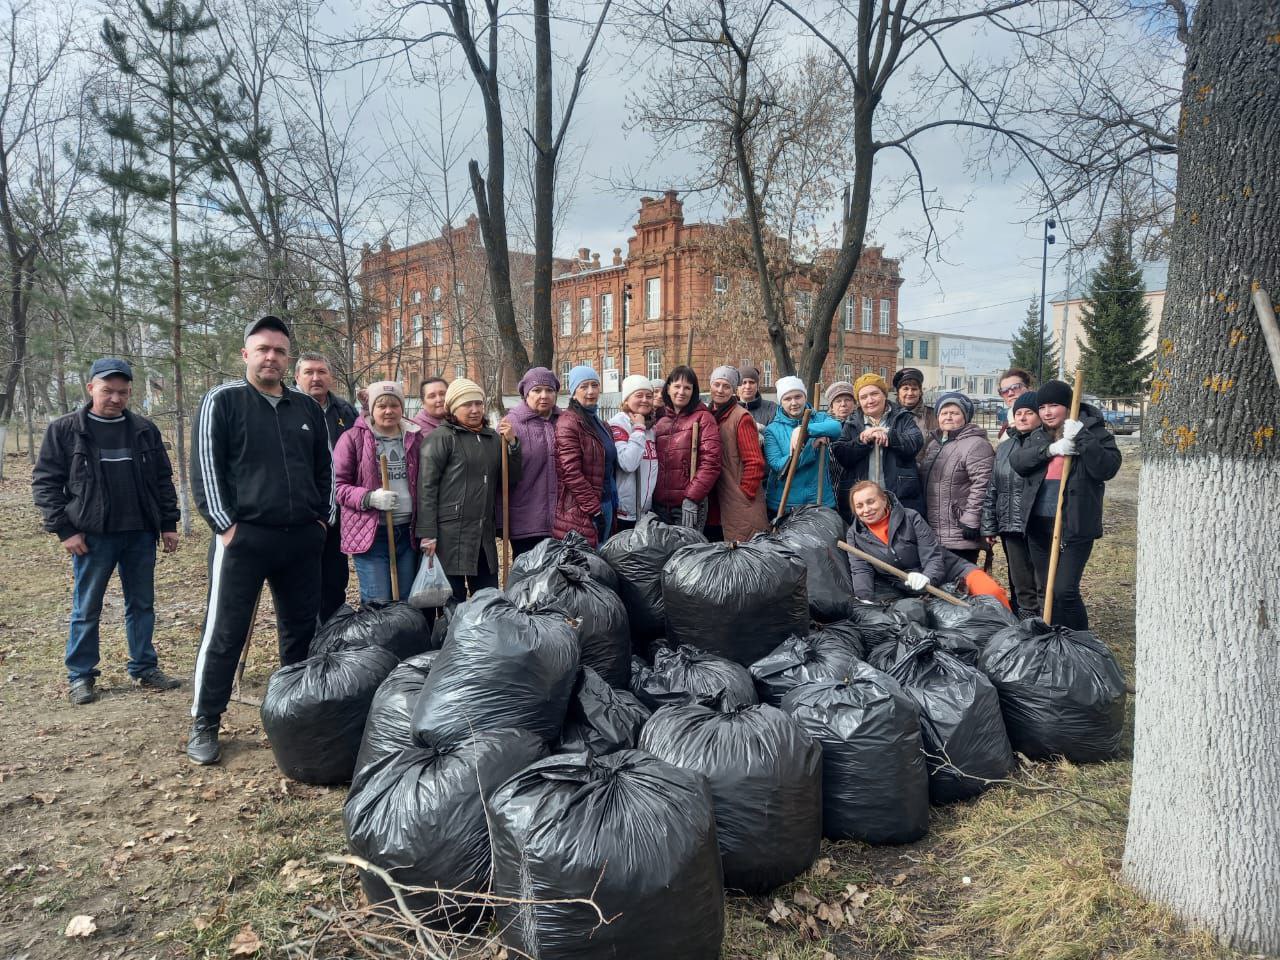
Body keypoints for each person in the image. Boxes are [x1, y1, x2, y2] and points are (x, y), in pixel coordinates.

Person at [188, 315, 335, 765]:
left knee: (299, 634)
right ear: (246, 354)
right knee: (225, 633)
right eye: (263, 349)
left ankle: (292, 717)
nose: (271, 356)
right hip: (243, 541)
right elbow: (206, 468)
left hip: (300, 542)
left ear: (288, 359)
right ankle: (205, 722)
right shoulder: (223, 401)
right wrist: (226, 527)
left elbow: (325, 471)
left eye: (279, 350)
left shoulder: (307, 410)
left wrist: (321, 523)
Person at [32, 357, 183, 705]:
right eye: (107, 391)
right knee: (87, 607)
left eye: (122, 392)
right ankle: (81, 676)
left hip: (140, 534)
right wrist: (64, 530)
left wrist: (168, 524)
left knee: (142, 605)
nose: (115, 398)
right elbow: (45, 483)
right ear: (91, 389)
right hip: (92, 537)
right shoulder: (65, 430)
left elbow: (162, 479)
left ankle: (144, 667)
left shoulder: (144, 429)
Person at [1009, 378, 1121, 630]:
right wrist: (1051, 449)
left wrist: (1081, 437)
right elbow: (1019, 463)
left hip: (1075, 524)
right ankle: (1053, 638)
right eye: (1043, 407)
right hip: (1039, 526)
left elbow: (1107, 468)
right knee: (1045, 591)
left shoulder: (1095, 432)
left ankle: (1080, 642)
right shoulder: (1038, 436)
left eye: (1054, 406)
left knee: (1064, 590)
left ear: (1068, 407)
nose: (1047, 412)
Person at [417, 378, 521, 601]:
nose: (474, 410)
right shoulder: (440, 438)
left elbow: (508, 480)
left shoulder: (492, 438)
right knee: (452, 602)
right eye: (467, 405)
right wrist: (428, 534)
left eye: (478, 403)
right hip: (450, 536)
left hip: (483, 535)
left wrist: (512, 446)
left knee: (488, 598)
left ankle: (482, 637)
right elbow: (427, 488)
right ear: (453, 408)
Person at [844, 481, 1009, 607]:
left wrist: (927, 578)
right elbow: (860, 570)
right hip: (912, 590)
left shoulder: (910, 517)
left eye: (871, 502)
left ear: (884, 500)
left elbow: (933, 555)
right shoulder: (855, 535)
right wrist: (864, 600)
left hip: (951, 571)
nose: (866, 509)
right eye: (859, 506)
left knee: (992, 593)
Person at [333, 381, 421, 604]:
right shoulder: (353, 438)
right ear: (371, 409)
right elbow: (338, 486)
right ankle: (378, 641)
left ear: (402, 408)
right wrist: (369, 497)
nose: (389, 411)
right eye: (381, 406)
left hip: (408, 531)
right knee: (377, 601)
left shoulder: (414, 437)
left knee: (406, 601)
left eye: (394, 405)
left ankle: (405, 640)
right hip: (372, 534)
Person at [294, 352, 358, 621]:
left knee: (335, 580)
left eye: (321, 372)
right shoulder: (288, 408)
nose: (316, 378)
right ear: (297, 377)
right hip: (302, 513)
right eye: (309, 372)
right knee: (303, 585)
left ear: (331, 377)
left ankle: (331, 638)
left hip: (339, 511)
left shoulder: (344, 411)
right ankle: (307, 643)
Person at [830, 372, 924, 524]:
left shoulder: (902, 417)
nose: (870, 400)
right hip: (864, 505)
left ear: (884, 395)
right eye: (864, 397)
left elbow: (915, 443)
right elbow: (842, 455)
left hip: (899, 498)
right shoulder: (851, 423)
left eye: (874, 394)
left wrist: (889, 435)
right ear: (859, 402)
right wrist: (863, 440)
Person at [982, 391, 1042, 617]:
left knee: (1042, 583)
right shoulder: (1006, 447)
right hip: (1010, 525)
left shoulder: (1047, 444)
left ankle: (1045, 627)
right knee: (1020, 582)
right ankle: (1026, 628)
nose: (1023, 418)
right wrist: (989, 525)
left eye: (1029, 413)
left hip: (1037, 526)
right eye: (1019, 413)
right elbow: (993, 486)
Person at [919, 391, 994, 564]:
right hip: (936, 529)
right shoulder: (934, 445)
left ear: (965, 417)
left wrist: (972, 518)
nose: (948, 417)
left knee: (961, 582)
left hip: (960, 529)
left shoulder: (976, 444)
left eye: (955, 413)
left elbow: (983, 483)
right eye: (944, 413)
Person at [553, 366, 618, 546]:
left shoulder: (602, 424)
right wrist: (594, 510)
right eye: (584, 386)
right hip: (583, 510)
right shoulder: (568, 423)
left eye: (595, 385)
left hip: (607, 501)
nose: (591, 391)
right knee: (588, 566)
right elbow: (571, 472)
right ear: (574, 393)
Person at [652, 365, 722, 531]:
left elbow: (711, 462)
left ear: (693, 391)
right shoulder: (660, 420)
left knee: (687, 554)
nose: (681, 392)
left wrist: (692, 497)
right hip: (659, 505)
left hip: (687, 504)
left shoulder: (703, 418)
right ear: (668, 388)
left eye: (687, 388)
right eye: (677, 386)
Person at [502, 367, 561, 556]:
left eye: (549, 390)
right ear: (526, 394)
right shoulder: (511, 425)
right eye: (537, 390)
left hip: (561, 520)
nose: (544, 395)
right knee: (528, 578)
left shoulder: (565, 421)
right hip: (525, 521)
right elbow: (503, 474)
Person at [763, 377, 842, 517]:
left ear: (805, 397)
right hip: (785, 503)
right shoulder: (772, 430)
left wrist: (804, 429)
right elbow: (778, 466)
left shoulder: (820, 418)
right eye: (787, 399)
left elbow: (836, 428)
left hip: (820, 499)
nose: (794, 403)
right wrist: (810, 448)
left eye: (798, 396)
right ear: (781, 402)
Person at [705, 365, 768, 541]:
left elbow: (755, 462)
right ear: (710, 386)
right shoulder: (707, 415)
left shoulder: (741, 417)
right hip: (713, 502)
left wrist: (744, 493)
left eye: (726, 386)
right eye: (717, 384)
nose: (720, 390)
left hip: (736, 500)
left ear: (734, 390)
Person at [609, 374, 660, 532]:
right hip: (625, 514)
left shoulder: (650, 426)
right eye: (639, 395)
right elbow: (628, 463)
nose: (645, 400)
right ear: (626, 399)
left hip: (645, 512)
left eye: (649, 396)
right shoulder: (618, 424)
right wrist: (638, 429)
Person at [892, 367, 937, 463]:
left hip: (928, 471)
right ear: (898, 392)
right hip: (898, 472)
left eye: (914, 389)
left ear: (920, 392)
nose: (910, 393)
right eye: (905, 389)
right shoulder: (889, 415)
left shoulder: (934, 416)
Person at [996, 368, 1033, 440]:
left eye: (1015, 387)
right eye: (1004, 391)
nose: (1010, 393)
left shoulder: (1043, 420)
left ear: (1029, 388)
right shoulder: (1006, 425)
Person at [737, 364, 777, 429]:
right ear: (737, 386)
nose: (748, 387)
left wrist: (764, 431)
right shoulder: (730, 409)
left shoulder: (771, 408)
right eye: (743, 383)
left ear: (757, 385)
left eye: (751, 382)